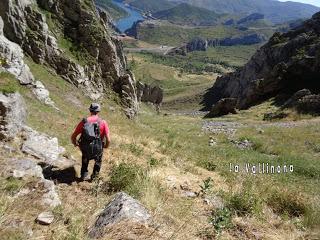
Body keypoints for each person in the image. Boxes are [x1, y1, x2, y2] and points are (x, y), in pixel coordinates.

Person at [71, 103, 110, 181]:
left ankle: (84, 175)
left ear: (90, 110)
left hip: (85, 146)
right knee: (98, 161)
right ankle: (94, 178)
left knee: (85, 158)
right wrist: (105, 146)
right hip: (98, 147)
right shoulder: (103, 122)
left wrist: (75, 143)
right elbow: (108, 139)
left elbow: (74, 135)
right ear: (98, 111)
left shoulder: (85, 121)